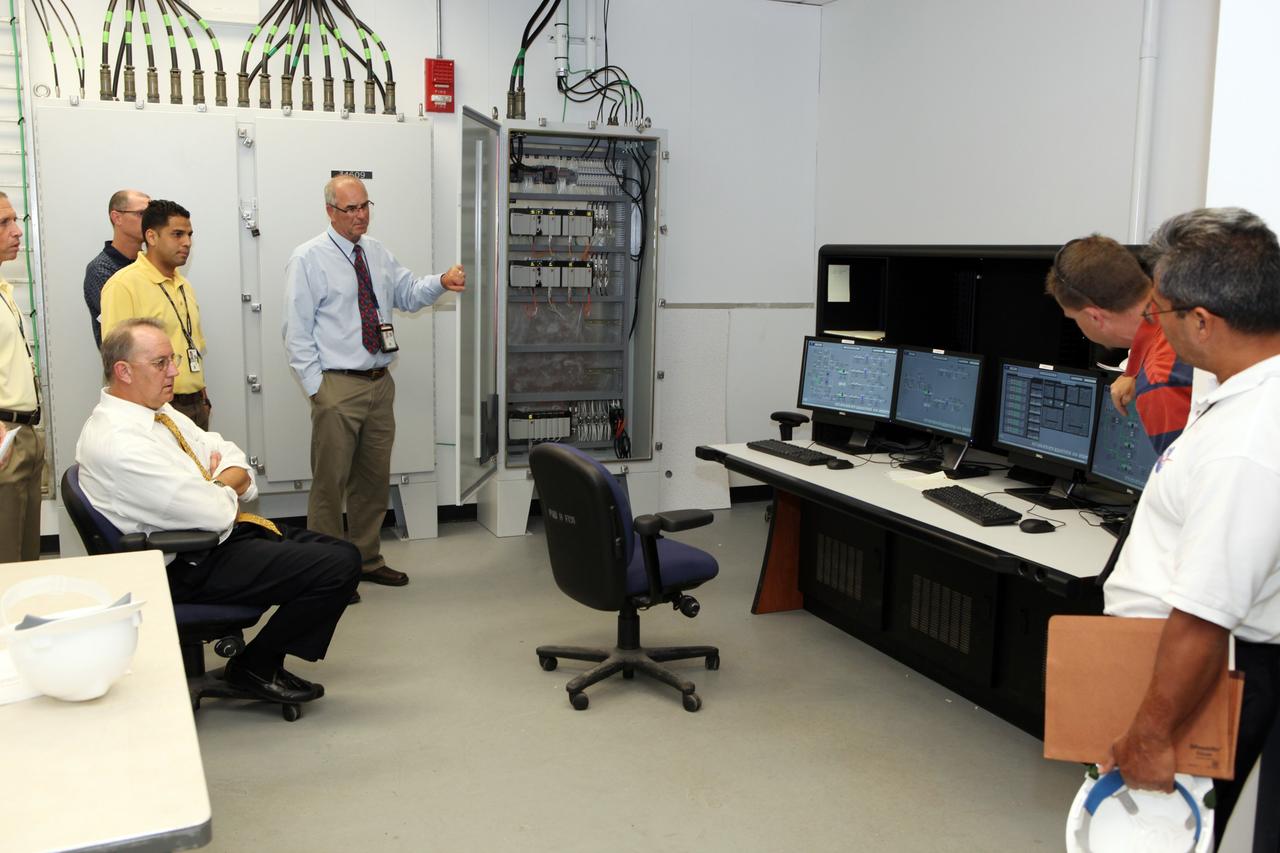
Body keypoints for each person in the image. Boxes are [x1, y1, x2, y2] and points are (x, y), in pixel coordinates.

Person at [1098, 207, 1280, 851]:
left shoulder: (1248, 442)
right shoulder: (1245, 396)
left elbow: (1205, 614)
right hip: (1186, 664)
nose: (1155, 327)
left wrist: (1152, 735)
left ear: (1201, 321)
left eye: (1160, 313)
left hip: (1208, 673)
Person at [77, 318, 361, 703]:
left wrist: (221, 481)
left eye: (172, 359)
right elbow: (214, 514)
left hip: (212, 541)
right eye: (161, 363)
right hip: (185, 562)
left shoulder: (157, 412)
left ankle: (256, 663)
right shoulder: (119, 442)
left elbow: (225, 450)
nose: (175, 371)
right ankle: (255, 667)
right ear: (123, 371)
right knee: (337, 568)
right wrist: (226, 485)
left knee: (342, 553)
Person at [282, 175, 465, 588]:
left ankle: (366, 559)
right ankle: (327, 574)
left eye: (365, 206)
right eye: (350, 209)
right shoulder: (308, 258)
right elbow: (296, 331)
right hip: (337, 385)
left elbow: (408, 294)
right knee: (330, 485)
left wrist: (440, 282)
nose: (360, 215)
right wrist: (319, 390)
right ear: (330, 211)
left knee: (373, 480)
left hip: (380, 382)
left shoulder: (376, 254)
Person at [1045, 234, 1192, 453]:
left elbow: (1183, 480)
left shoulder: (1159, 382)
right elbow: (1146, 334)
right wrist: (1131, 372)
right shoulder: (1179, 297)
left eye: (1074, 318)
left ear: (1094, 317)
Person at [100, 199, 212, 429]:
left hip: (194, 405)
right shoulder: (123, 285)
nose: (187, 243)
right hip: (154, 410)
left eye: (190, 235)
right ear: (151, 237)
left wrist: (202, 397)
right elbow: (118, 361)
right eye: (177, 234)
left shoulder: (184, 285)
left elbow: (193, 348)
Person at [0, 191, 43, 564]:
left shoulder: (4, 291)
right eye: (4, 223)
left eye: (15, 221)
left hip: (24, 432)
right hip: (4, 437)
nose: (17, 232)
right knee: (6, 562)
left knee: (26, 557)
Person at [84, 189, 150, 349]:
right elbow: (128, 327)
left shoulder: (151, 265)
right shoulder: (101, 270)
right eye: (142, 214)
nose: (150, 221)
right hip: (129, 365)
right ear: (117, 218)